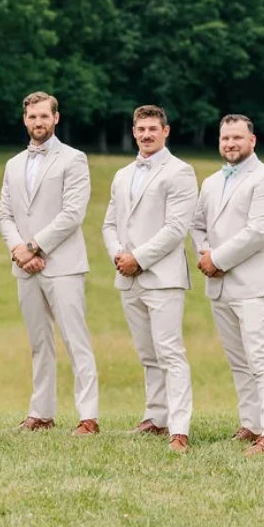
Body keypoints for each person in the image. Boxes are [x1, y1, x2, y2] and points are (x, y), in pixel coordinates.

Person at [0, 91, 100, 435]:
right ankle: (41, 413)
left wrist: (34, 247)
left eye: (44, 116)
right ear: (24, 119)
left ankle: (88, 416)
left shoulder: (74, 159)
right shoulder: (13, 164)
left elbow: (73, 213)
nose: (38, 122)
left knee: (75, 339)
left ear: (56, 118)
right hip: (25, 267)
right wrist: (18, 250)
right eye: (32, 116)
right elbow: (5, 215)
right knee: (38, 342)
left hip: (63, 264)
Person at [101, 105, 199, 454]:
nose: (146, 135)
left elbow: (176, 228)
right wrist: (118, 255)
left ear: (165, 131)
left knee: (170, 352)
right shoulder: (123, 174)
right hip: (128, 277)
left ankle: (179, 428)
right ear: (133, 132)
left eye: (152, 129)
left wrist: (138, 258)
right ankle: (155, 417)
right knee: (147, 353)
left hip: (163, 277)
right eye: (141, 129)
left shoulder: (180, 172)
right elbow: (109, 223)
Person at [192, 114, 264, 455]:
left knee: (261, 357)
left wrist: (216, 260)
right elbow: (197, 225)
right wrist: (204, 253)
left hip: (255, 285)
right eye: (225, 138)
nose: (230, 143)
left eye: (237, 137)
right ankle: (252, 423)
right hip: (220, 286)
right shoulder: (210, 182)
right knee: (238, 360)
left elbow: (258, 232)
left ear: (252, 140)